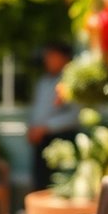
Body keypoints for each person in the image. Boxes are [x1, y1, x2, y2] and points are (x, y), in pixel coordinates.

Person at [27, 42, 81, 190]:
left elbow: (75, 115)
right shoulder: (43, 81)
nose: (47, 60)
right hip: (40, 141)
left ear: (64, 58)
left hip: (62, 140)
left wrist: (45, 127)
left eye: (51, 56)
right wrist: (33, 128)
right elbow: (38, 109)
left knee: (58, 185)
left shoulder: (72, 82)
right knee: (40, 185)